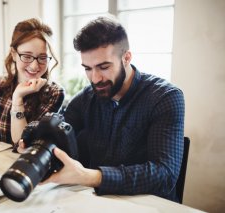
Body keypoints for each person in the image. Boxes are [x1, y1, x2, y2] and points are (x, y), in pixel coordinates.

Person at [42, 16, 185, 202]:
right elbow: (58, 131)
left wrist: (91, 176)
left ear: (126, 57)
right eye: (88, 68)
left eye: (103, 67)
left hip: (147, 204)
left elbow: (164, 175)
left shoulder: (165, 98)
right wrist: (39, 140)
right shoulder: (87, 97)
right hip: (96, 200)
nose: (95, 78)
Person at [0, 18, 64, 147]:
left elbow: (23, 145)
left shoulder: (54, 93)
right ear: (14, 54)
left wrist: (17, 98)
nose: (34, 66)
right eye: (26, 56)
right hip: (1, 163)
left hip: (30, 164)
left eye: (42, 58)